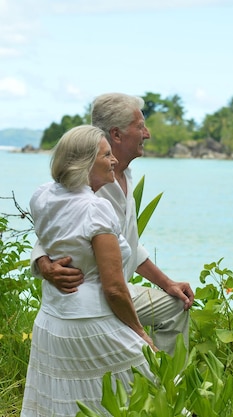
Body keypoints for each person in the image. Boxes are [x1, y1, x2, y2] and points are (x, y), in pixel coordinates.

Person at [30, 93, 194, 355]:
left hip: (117, 289)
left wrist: (167, 283)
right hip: (97, 296)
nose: (147, 134)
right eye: (140, 127)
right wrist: (44, 265)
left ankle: (166, 387)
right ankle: (159, 383)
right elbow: (52, 230)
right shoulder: (89, 185)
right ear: (117, 134)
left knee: (175, 304)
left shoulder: (124, 173)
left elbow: (129, 246)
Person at [21, 125, 155, 417]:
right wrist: (138, 331)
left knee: (68, 402)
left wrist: (43, 262)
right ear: (84, 163)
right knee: (153, 386)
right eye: (106, 155)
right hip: (91, 322)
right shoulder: (96, 209)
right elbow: (115, 289)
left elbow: (49, 237)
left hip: (51, 321)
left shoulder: (42, 196)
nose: (114, 160)